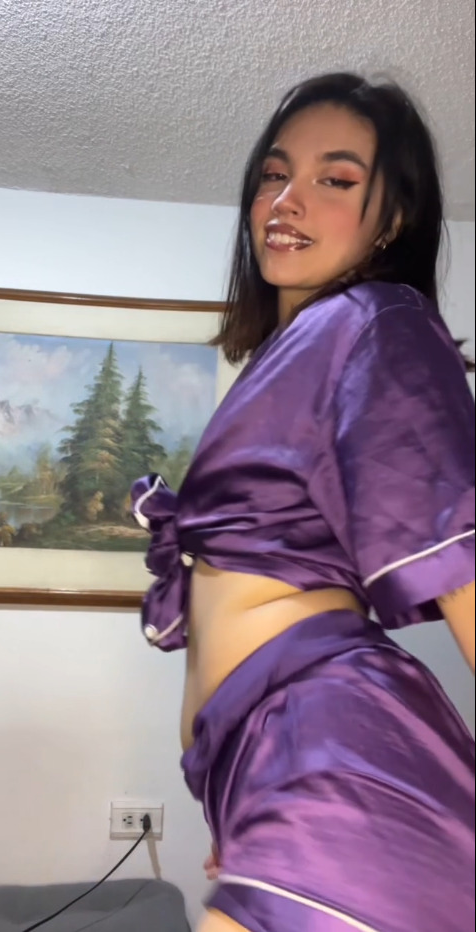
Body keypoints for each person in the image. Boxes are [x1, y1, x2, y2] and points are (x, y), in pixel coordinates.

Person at [131, 73, 475, 932]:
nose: (287, 200)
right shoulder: (293, 355)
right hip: (261, 763)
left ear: (391, 219)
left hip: (329, 745)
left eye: (336, 179)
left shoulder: (374, 321)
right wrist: (238, 803)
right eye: (274, 175)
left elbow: (459, 544)